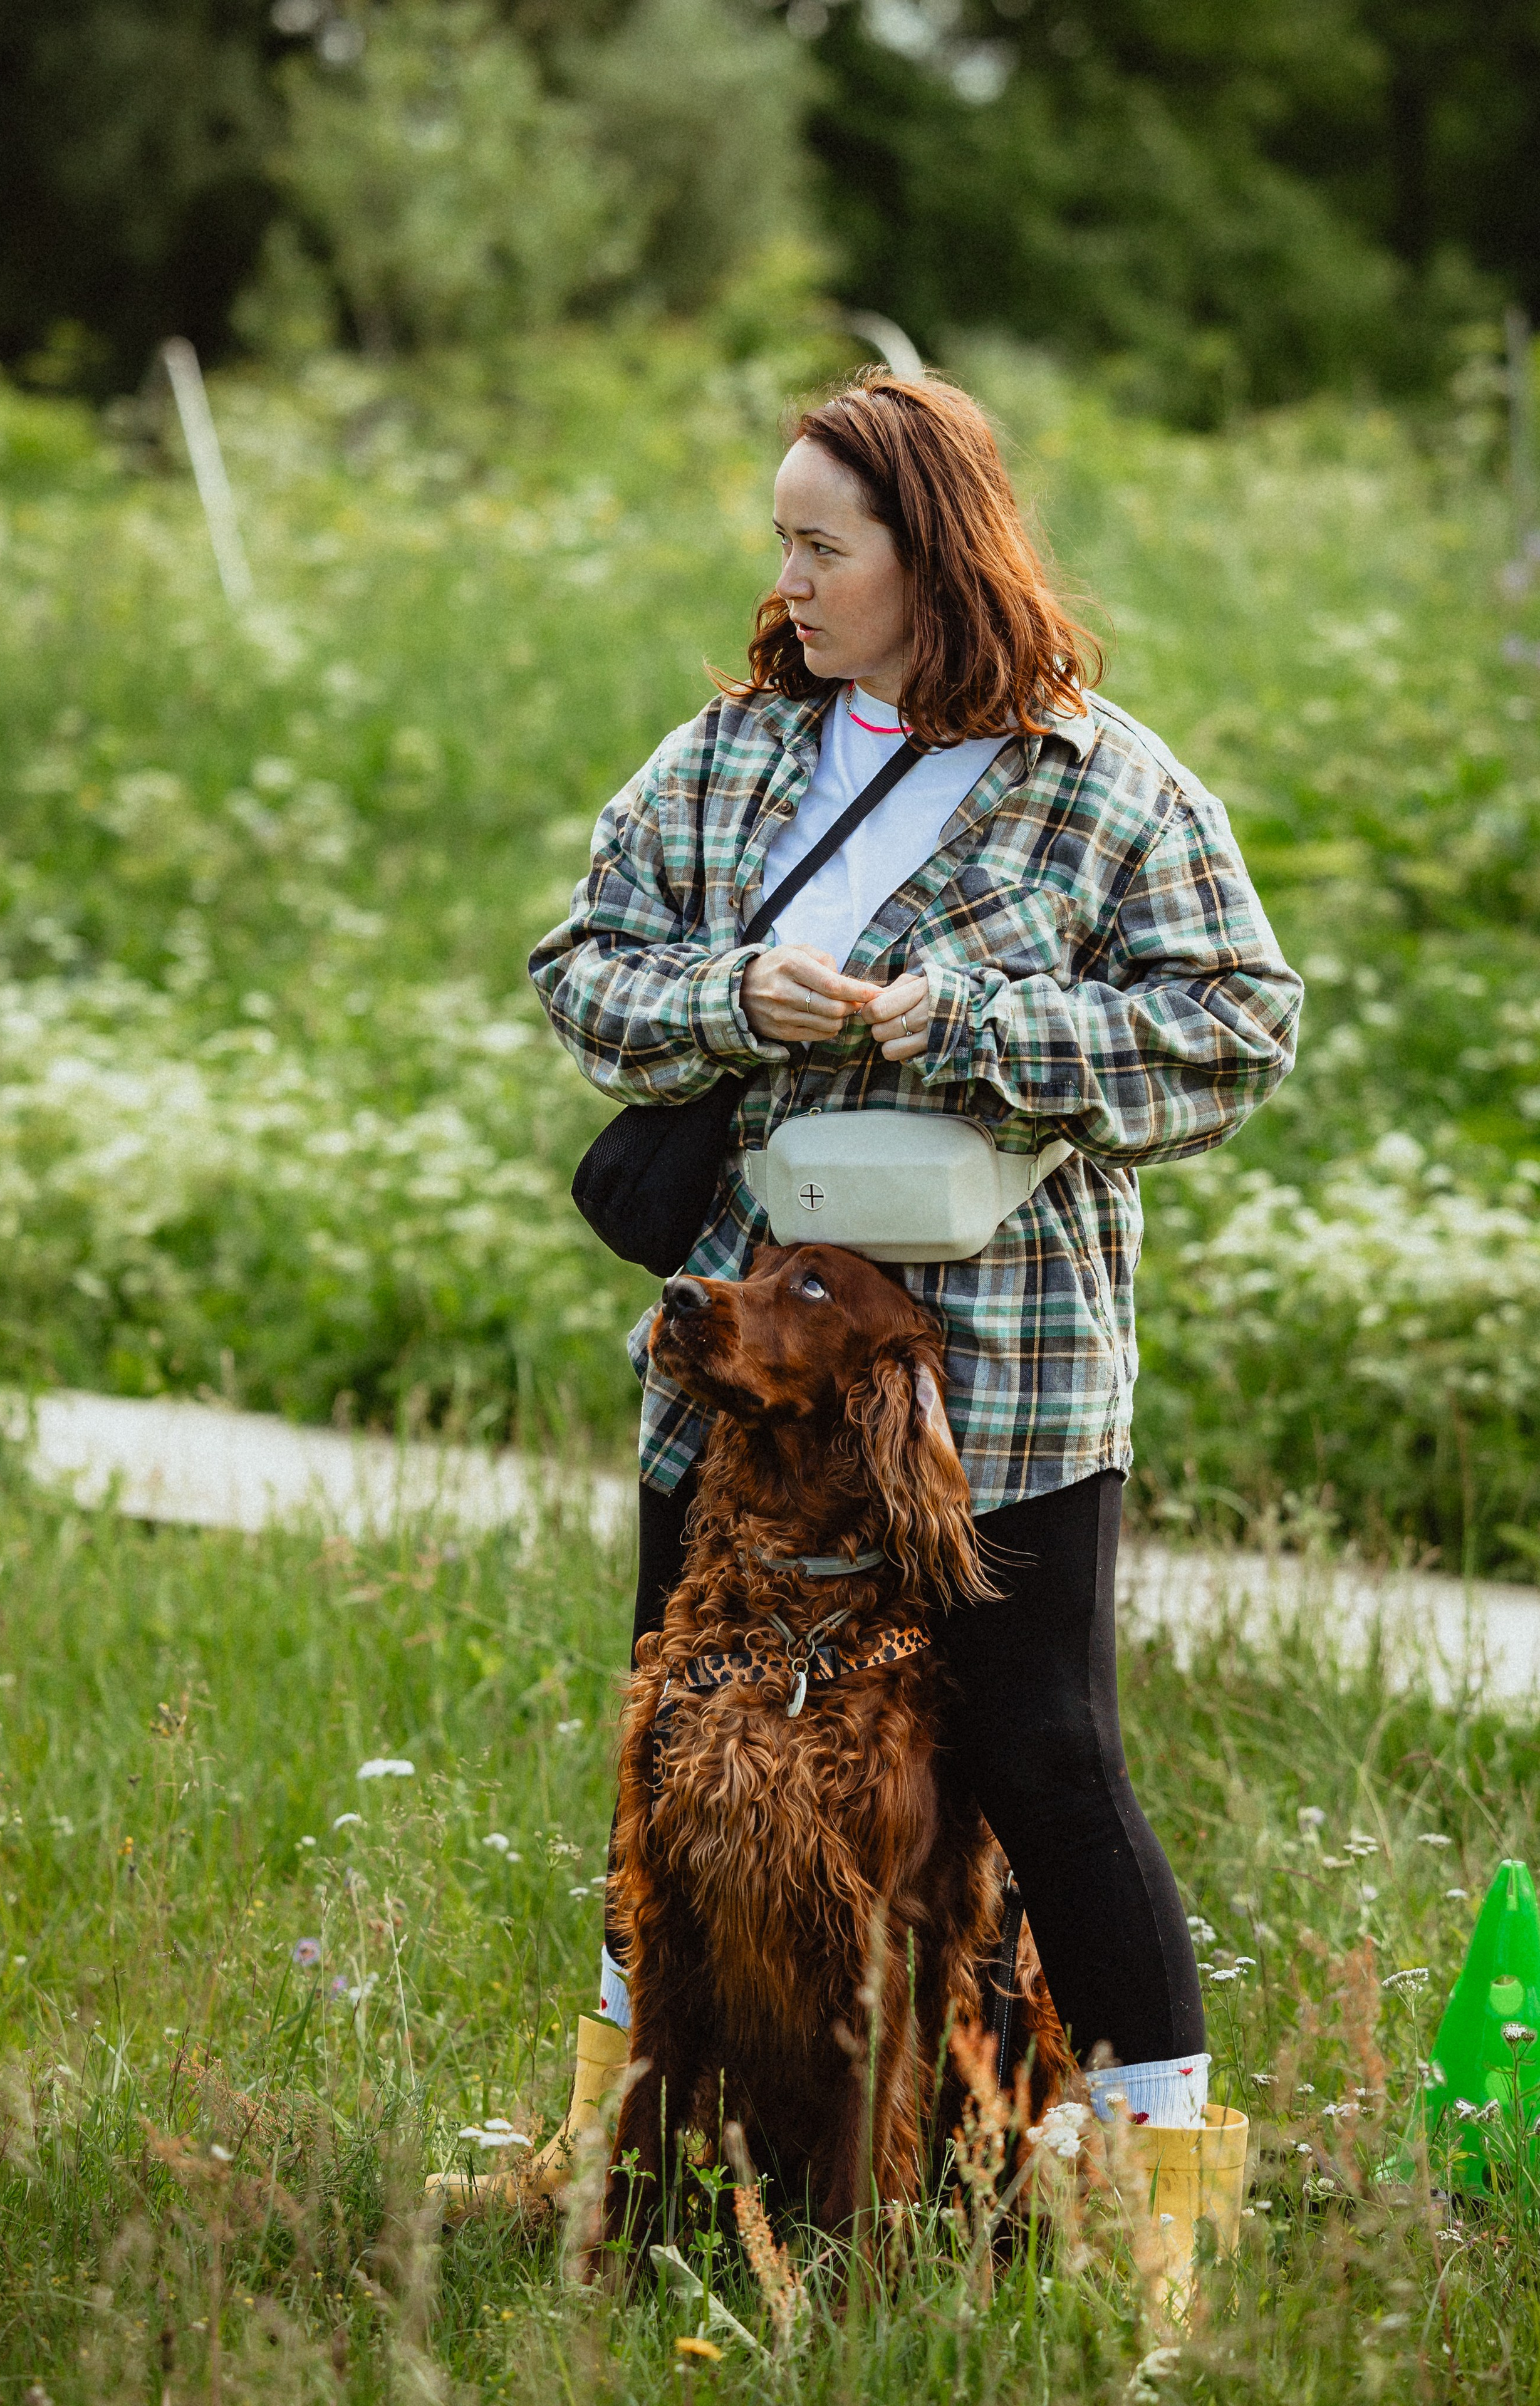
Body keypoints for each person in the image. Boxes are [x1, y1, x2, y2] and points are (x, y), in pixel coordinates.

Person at [445, 368, 1301, 2222]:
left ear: (938, 555)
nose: (791, 581)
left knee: (1047, 1757)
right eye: (785, 542)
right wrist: (728, 997)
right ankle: (626, 2158)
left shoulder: (1107, 785)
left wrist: (979, 1025)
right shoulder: (731, 757)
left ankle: (1157, 2208)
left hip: (1006, 1377)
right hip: (741, 1371)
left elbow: (1238, 1031)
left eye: (824, 547)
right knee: (687, 1744)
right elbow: (581, 967)